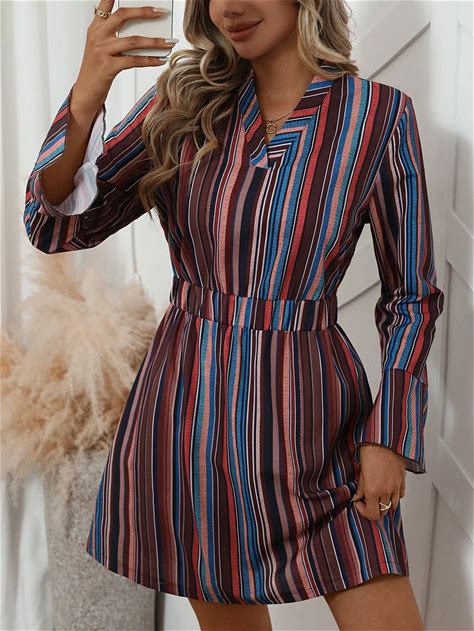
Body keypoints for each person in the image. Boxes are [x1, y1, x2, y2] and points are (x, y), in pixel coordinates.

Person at [24, 0, 445, 629]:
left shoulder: (378, 118)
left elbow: (411, 294)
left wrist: (389, 435)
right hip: (191, 419)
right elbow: (56, 227)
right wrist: (86, 96)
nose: (230, 7)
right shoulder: (182, 104)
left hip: (318, 426)